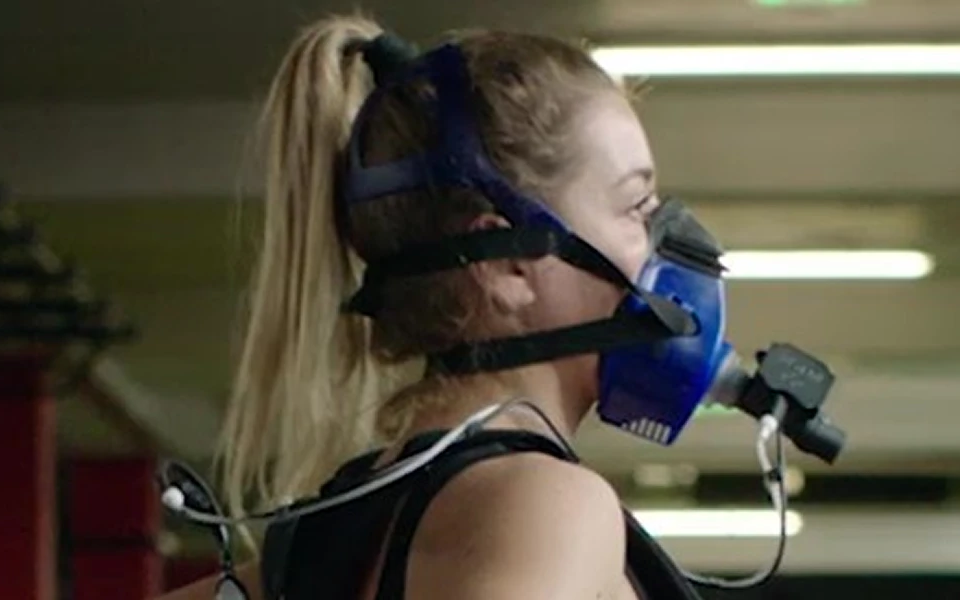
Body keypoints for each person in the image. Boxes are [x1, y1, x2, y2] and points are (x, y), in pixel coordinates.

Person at [160, 13, 698, 600]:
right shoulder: (548, 503)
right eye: (636, 208)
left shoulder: (326, 538)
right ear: (508, 266)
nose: (659, 244)